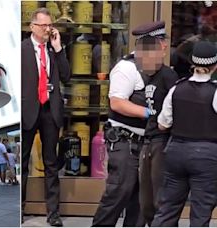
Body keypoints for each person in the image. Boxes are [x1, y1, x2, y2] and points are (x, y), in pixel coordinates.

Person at [92, 21, 171, 226]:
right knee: (119, 192)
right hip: (125, 140)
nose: (165, 47)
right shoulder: (127, 68)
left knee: (140, 202)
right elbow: (117, 103)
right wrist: (150, 113)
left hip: (147, 144)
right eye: (162, 43)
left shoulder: (160, 70)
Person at [152, 41, 217, 227]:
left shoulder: (176, 89)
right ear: (215, 66)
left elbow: (163, 125)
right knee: (200, 212)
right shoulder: (215, 92)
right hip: (207, 155)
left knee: (167, 208)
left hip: (176, 151)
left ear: (193, 64)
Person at [21, 7, 70, 226]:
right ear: (32, 27)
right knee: (22, 162)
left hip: (50, 110)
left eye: (50, 25)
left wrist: (59, 48)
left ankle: (53, 213)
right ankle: (19, 208)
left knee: (51, 163)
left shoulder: (53, 50)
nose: (48, 29)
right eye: (43, 25)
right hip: (29, 111)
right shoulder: (21, 49)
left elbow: (67, 77)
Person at [130, 22, 180, 226]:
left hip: (161, 142)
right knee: (146, 201)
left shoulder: (168, 76)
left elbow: (173, 110)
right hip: (148, 140)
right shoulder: (148, 75)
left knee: (160, 198)